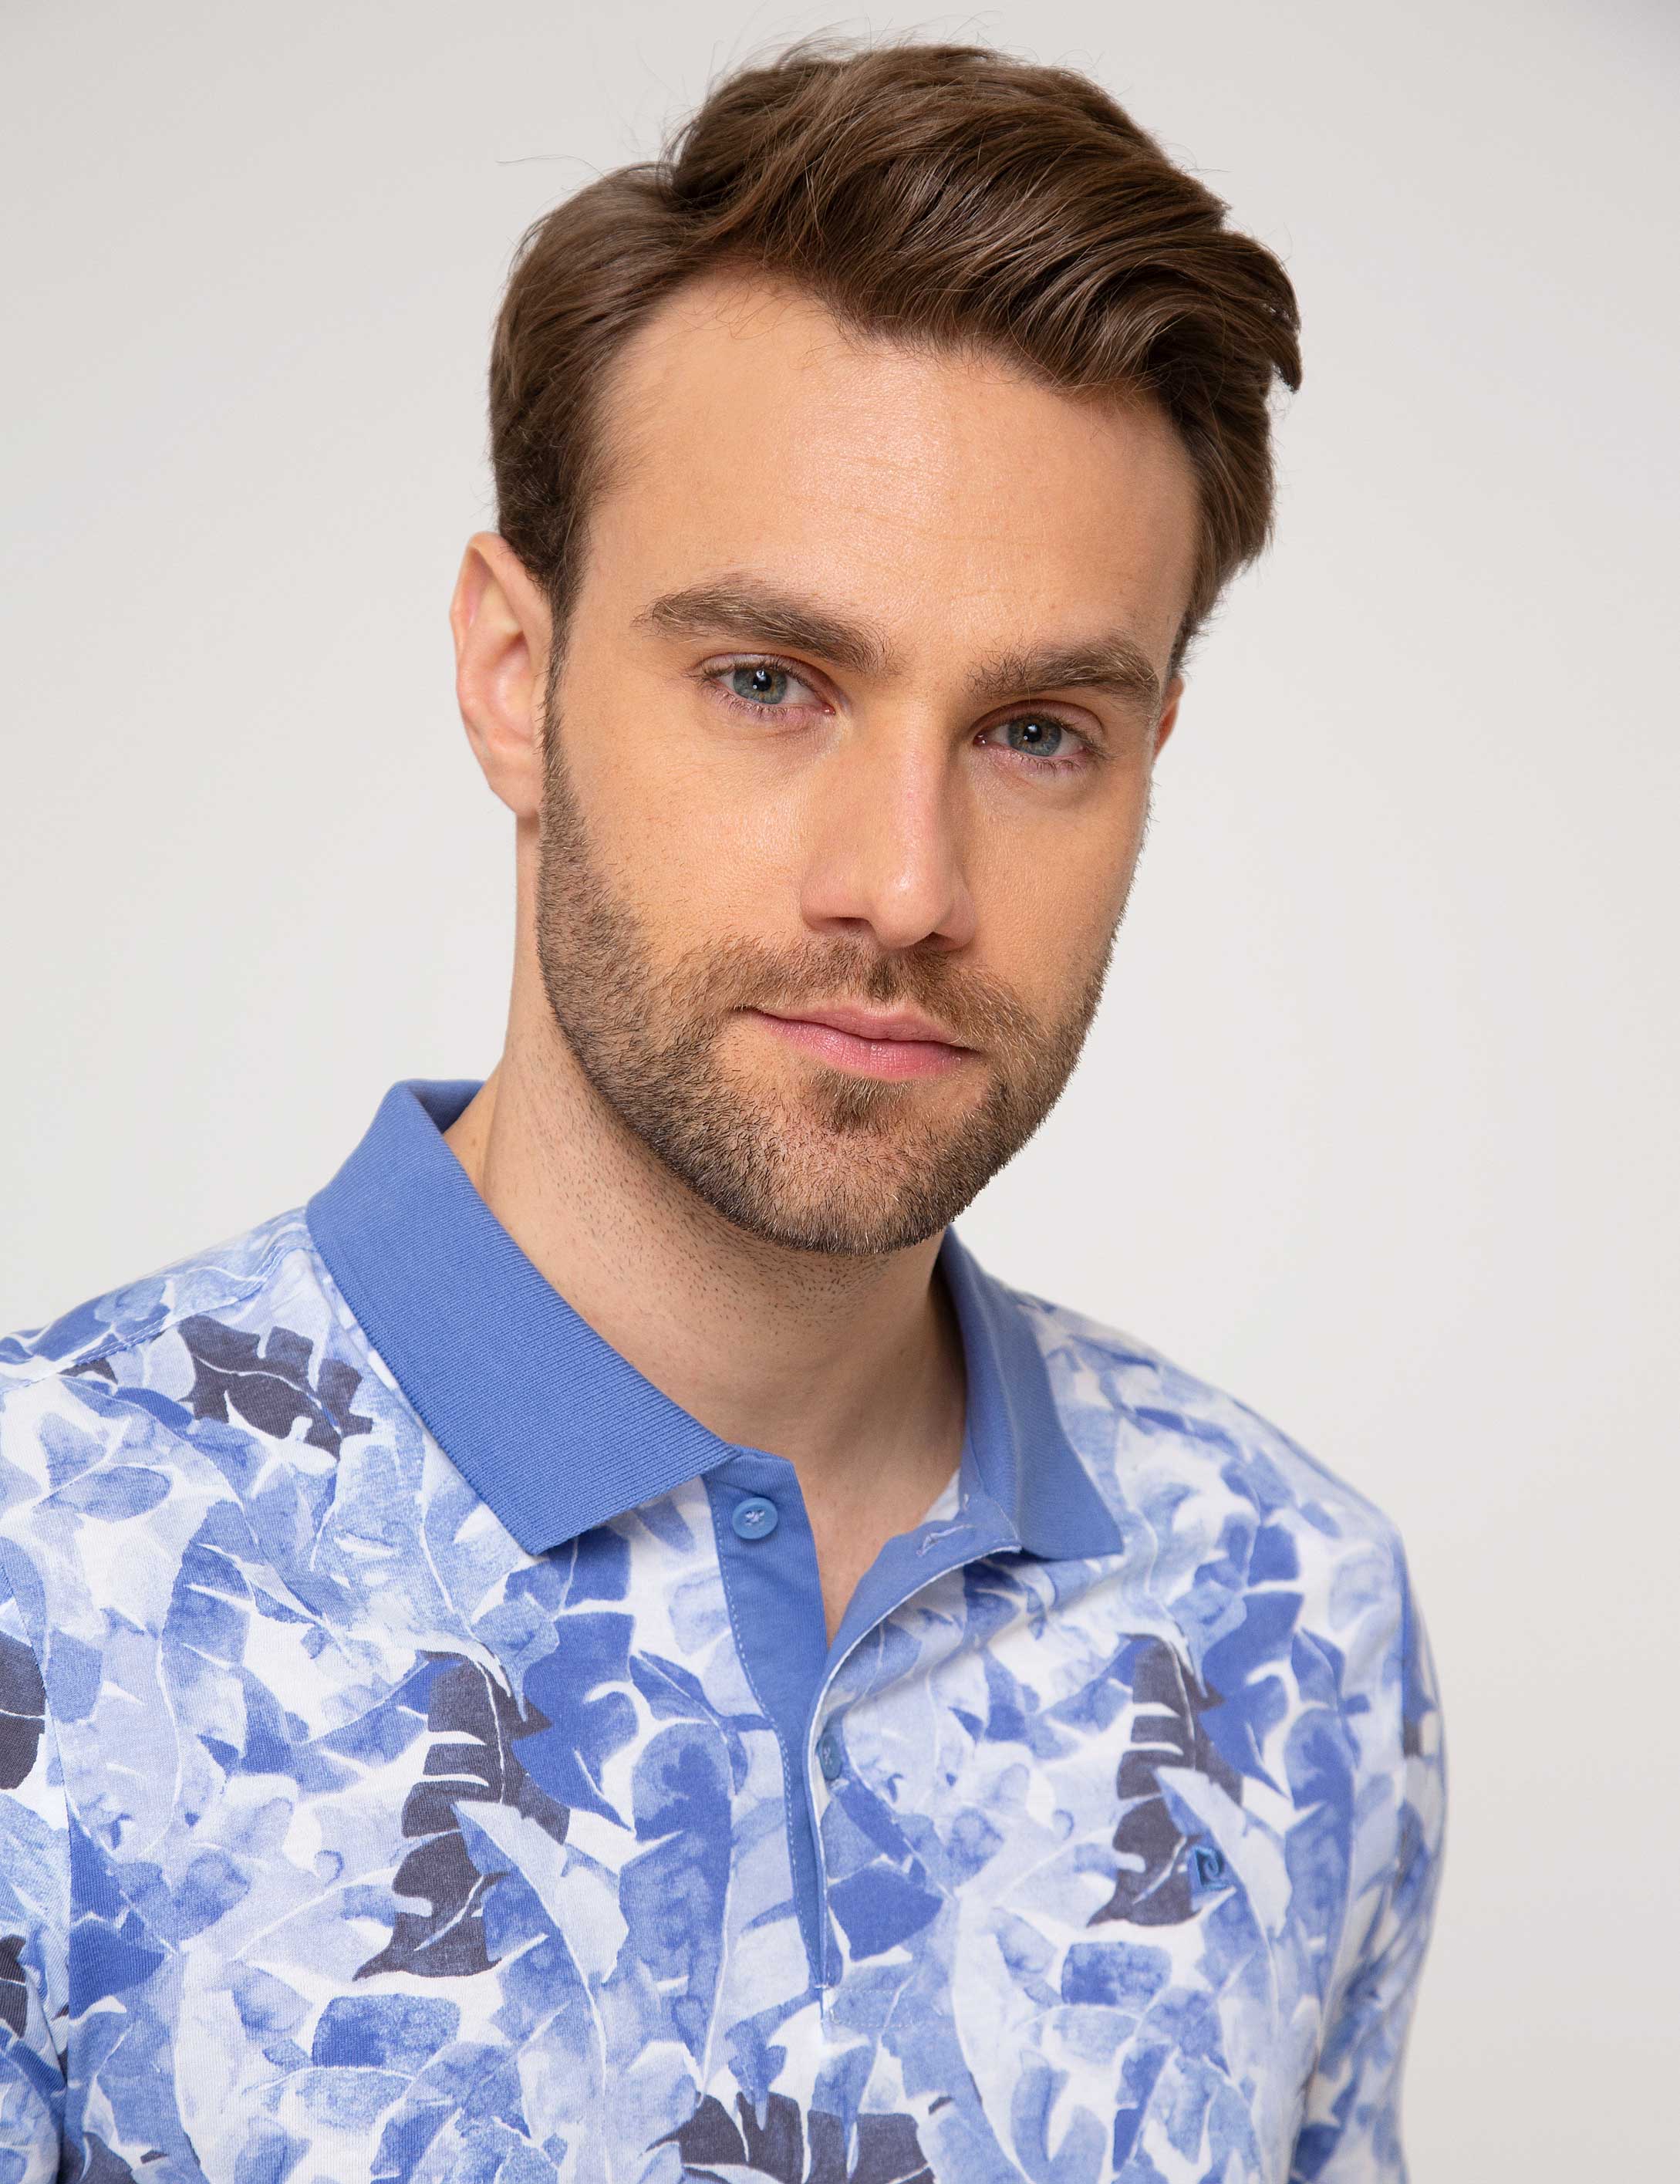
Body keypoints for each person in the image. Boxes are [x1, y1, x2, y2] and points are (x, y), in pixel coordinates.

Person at [0, 35, 1446, 2184]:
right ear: (515, 676)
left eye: (1038, 731)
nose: (907, 887)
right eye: (770, 682)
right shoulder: (46, 1578)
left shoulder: (1293, 1612)